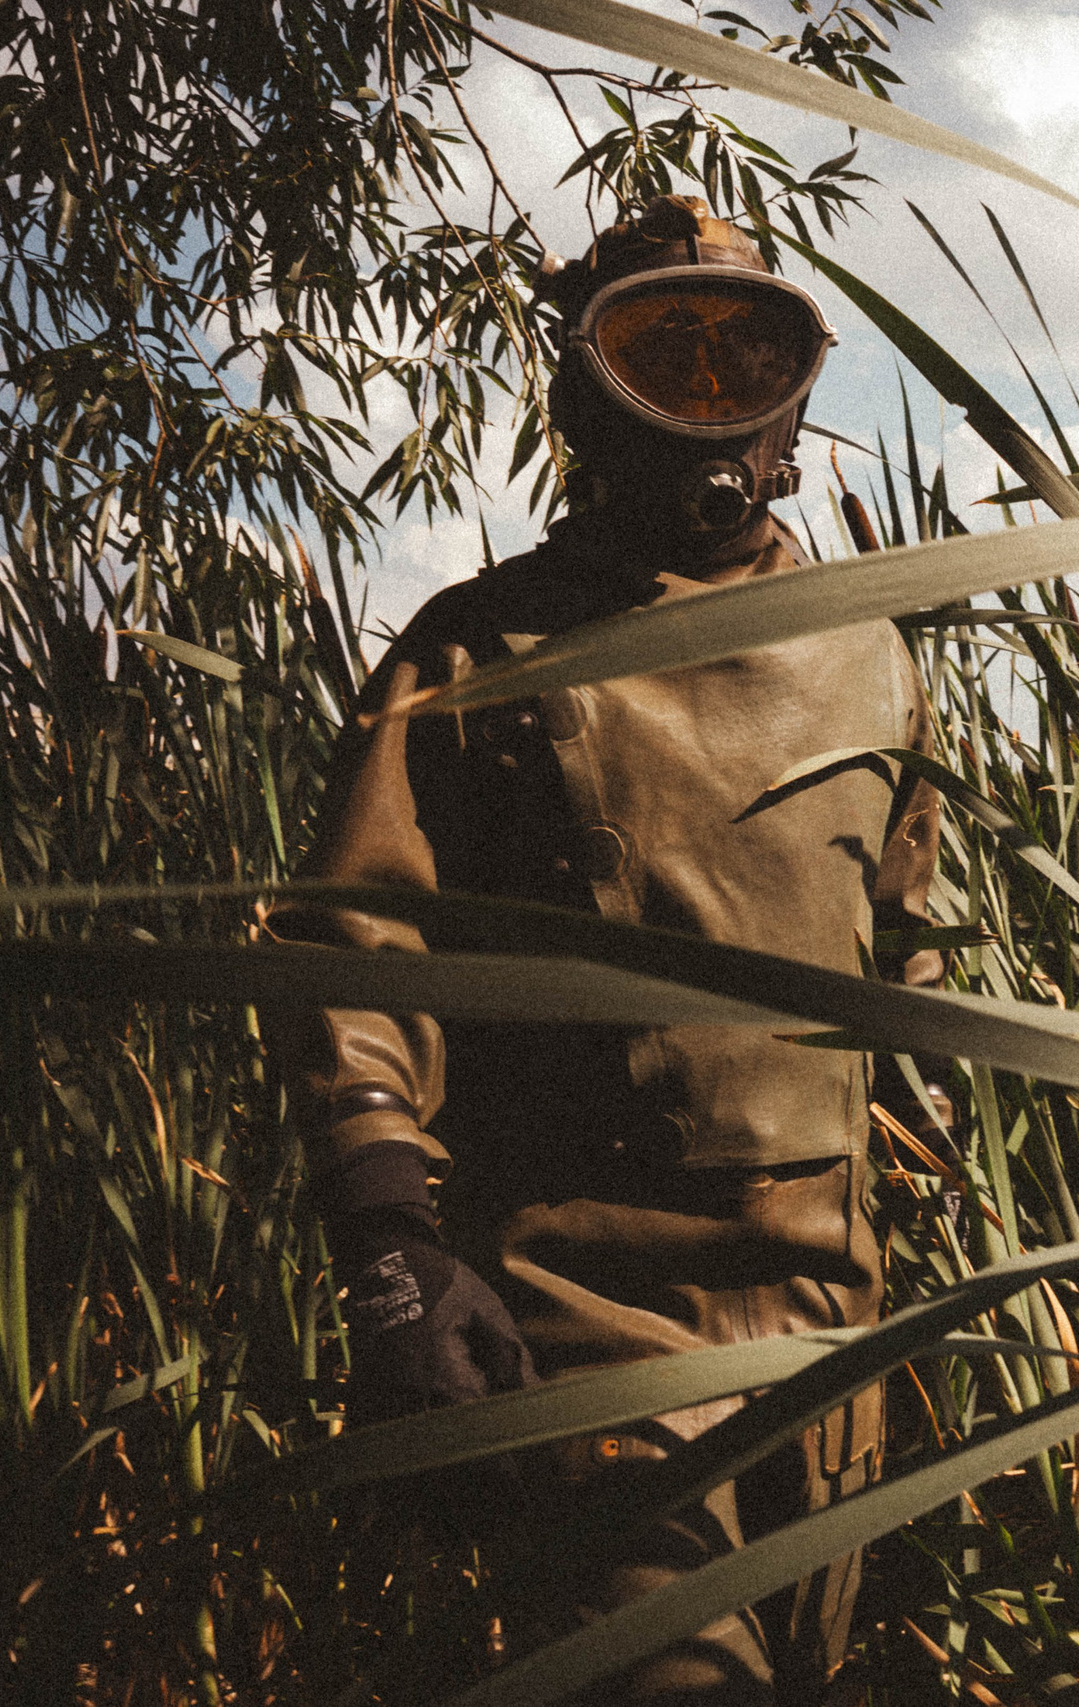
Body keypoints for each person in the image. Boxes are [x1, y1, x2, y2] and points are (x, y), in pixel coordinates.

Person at [274, 194, 944, 1702]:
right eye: (665, 355)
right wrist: (390, 1245)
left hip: (831, 1322)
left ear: (801, 388)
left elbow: (903, 942)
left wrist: (925, 1122)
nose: (710, 402)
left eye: (744, 357)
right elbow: (355, 947)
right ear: (587, 393)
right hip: (592, 1321)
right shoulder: (479, 649)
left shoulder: (872, 642)